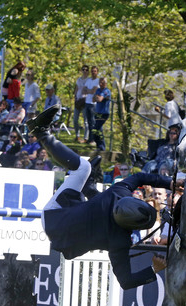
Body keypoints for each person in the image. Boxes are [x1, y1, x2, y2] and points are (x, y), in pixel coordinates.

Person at [27, 105, 171, 289]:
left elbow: (142, 176)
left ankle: (42, 133)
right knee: (89, 184)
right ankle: (87, 183)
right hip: (56, 225)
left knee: (83, 168)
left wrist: (169, 183)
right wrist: (154, 268)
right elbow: (126, 282)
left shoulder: (120, 191)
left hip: (56, 215)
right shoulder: (120, 240)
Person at [80, 66, 100, 143]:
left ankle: (93, 139)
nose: (93, 72)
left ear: (97, 72)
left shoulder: (98, 81)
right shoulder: (89, 80)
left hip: (93, 104)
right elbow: (83, 90)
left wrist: (89, 90)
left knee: (92, 122)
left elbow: (93, 91)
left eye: (94, 71)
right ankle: (89, 139)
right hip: (87, 102)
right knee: (88, 122)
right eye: (92, 71)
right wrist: (90, 90)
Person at [91, 77, 111, 151]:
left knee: (96, 129)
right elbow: (93, 100)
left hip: (104, 113)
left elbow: (99, 99)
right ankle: (100, 147)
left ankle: (101, 146)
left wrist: (97, 97)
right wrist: (97, 97)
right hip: (98, 112)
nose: (100, 84)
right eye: (99, 82)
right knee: (99, 130)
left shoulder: (106, 91)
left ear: (105, 83)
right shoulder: (98, 90)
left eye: (102, 82)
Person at [73, 65, 90, 142]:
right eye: (83, 69)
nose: (85, 71)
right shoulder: (79, 79)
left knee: (86, 121)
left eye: (86, 70)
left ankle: (86, 137)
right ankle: (77, 135)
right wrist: (75, 97)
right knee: (75, 120)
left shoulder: (89, 80)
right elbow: (76, 89)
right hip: (78, 100)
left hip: (85, 101)